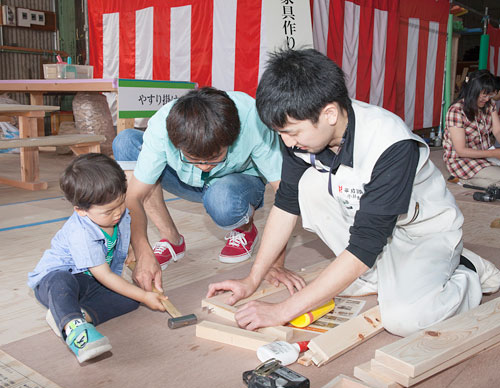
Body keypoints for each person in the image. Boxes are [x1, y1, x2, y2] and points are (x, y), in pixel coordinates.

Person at [207, 48, 500, 337]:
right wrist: (252, 278)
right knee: (307, 187)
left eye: (293, 132)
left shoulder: (389, 142)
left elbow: (364, 244)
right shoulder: (303, 133)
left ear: (330, 114)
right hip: (374, 227)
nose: (287, 142)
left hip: (424, 232)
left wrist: (282, 311)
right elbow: (285, 206)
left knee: (405, 319)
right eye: (281, 133)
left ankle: (469, 271)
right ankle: (383, 274)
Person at [113, 87, 291, 293]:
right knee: (125, 142)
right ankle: (172, 239)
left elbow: (284, 193)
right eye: (193, 159)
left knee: (222, 199)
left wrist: (276, 264)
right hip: (186, 181)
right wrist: (142, 249)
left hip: (236, 185)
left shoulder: (253, 120)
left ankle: (246, 229)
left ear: (232, 139)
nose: (205, 166)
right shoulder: (162, 126)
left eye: (215, 158)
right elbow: (134, 196)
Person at [27, 154, 167, 363]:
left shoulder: (118, 214)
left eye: (120, 203)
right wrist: (146, 296)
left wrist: (130, 249)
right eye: (108, 211)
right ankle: (74, 329)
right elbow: (104, 275)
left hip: (89, 282)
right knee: (62, 281)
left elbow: (119, 236)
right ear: (80, 211)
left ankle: (74, 314)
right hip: (55, 283)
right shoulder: (80, 233)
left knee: (130, 298)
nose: (118, 213)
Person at [443, 70, 500, 187]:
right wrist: (494, 153)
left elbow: (497, 131)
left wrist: (493, 153)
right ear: (473, 92)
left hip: (485, 156)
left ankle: (472, 181)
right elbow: (461, 150)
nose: (488, 99)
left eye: (490, 95)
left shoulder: (490, 105)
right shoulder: (456, 111)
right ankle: (463, 179)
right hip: (462, 161)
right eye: (484, 95)